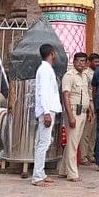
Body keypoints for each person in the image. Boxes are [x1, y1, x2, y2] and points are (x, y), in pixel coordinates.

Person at [58, 52, 93, 182]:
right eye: (79, 61)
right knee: (73, 143)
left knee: (73, 142)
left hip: (83, 111)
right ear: (74, 61)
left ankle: (63, 170)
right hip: (73, 111)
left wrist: (90, 109)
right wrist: (70, 116)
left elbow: (85, 94)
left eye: (83, 61)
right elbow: (65, 96)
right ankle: (72, 174)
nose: (81, 63)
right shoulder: (69, 76)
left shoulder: (84, 76)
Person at [32, 44, 62, 187]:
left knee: (44, 141)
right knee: (43, 143)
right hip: (47, 110)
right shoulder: (44, 70)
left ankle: (41, 173)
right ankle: (37, 176)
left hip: (49, 109)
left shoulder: (47, 69)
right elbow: (42, 92)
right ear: (52, 53)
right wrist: (46, 112)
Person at [79, 53, 99, 165]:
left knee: (93, 133)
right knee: (86, 132)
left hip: (96, 104)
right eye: (95, 62)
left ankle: (90, 154)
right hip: (89, 103)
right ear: (89, 62)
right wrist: (89, 106)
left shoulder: (96, 73)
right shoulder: (86, 74)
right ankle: (83, 156)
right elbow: (87, 91)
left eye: (98, 61)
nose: (97, 64)